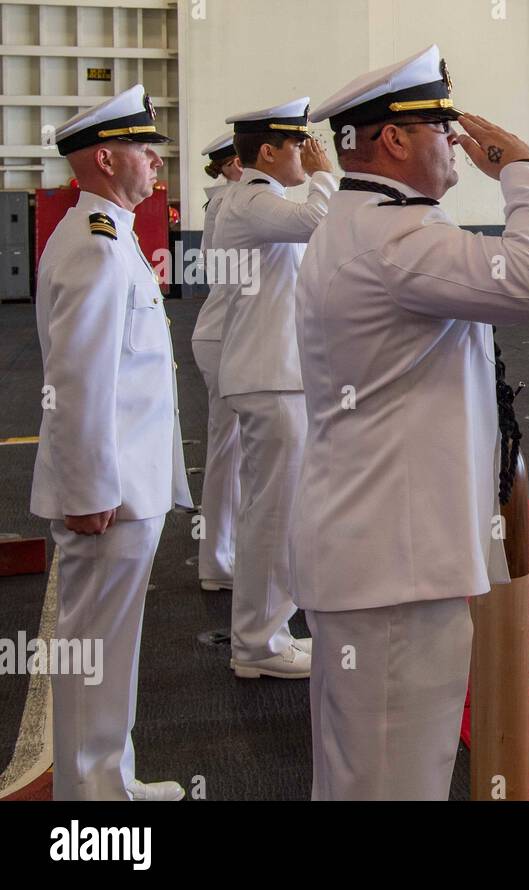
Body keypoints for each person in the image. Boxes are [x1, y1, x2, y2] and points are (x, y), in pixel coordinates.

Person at [293, 44, 529, 800]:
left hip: (375, 549)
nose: (456, 142)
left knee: (360, 773)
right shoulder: (396, 236)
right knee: (391, 780)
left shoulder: (366, 222)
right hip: (393, 563)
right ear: (393, 139)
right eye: (442, 128)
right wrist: (521, 168)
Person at [31, 84, 191, 800]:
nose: (157, 163)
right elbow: (79, 381)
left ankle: (105, 782)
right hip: (112, 493)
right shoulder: (96, 247)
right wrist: (90, 490)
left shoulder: (107, 232)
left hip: (126, 483)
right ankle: (95, 800)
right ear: (105, 156)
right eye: (144, 148)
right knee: (96, 653)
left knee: (105, 652)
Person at [214, 97, 336, 679]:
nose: (307, 152)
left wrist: (312, 175)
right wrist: (324, 175)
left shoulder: (259, 199)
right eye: (298, 144)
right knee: (272, 513)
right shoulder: (254, 199)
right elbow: (318, 222)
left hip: (276, 375)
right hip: (269, 376)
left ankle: (269, 630)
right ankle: (257, 644)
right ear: (268, 151)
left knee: (276, 510)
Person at [191, 132, 242, 592]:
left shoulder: (226, 203)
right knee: (229, 454)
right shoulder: (233, 204)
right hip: (228, 338)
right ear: (230, 165)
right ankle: (218, 561)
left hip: (226, 335)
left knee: (232, 452)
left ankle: (222, 556)